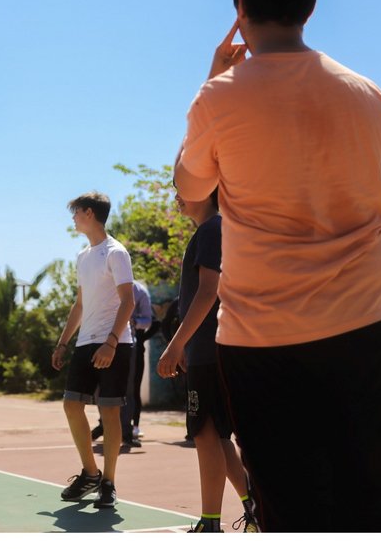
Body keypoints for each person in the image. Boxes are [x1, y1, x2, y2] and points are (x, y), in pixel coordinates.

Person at [174, 0, 381, 531]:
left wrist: (212, 77)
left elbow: (190, 191)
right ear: (311, 3)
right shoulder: (373, 99)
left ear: (239, 6)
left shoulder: (217, 99)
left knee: (290, 502)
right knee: (373, 492)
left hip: (262, 335)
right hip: (365, 323)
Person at [156, 189, 256, 533]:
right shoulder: (213, 229)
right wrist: (185, 345)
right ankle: (252, 508)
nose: (177, 197)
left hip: (212, 350)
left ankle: (210, 523)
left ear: (204, 192)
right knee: (214, 433)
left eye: (181, 190)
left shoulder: (212, 229)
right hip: (209, 349)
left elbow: (208, 290)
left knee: (205, 435)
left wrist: (175, 344)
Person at [51, 192, 135, 509]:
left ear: (89, 213)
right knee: (72, 405)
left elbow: (128, 301)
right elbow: (80, 305)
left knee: (109, 412)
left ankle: (108, 483)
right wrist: (62, 342)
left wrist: (111, 342)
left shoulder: (117, 253)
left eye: (75, 213)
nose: (72, 219)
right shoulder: (84, 256)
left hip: (114, 343)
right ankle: (90, 473)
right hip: (86, 343)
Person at [90, 280, 153, 446]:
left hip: (128, 345)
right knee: (100, 388)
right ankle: (105, 424)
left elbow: (148, 319)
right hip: (103, 343)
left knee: (127, 390)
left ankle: (126, 432)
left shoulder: (139, 291)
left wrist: (134, 322)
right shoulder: (105, 287)